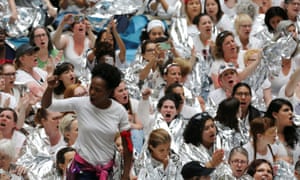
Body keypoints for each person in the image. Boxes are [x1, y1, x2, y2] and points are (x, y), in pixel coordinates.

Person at [41, 63, 132, 179]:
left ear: (109, 91)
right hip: (82, 171)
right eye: (91, 87)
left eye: (98, 90)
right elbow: (47, 105)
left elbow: (128, 146)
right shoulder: (81, 103)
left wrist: (126, 174)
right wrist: (50, 88)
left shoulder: (119, 111)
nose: (92, 92)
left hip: (107, 171)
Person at [17, 108, 65, 179]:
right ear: (44, 121)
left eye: (61, 117)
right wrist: (22, 167)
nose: (59, 121)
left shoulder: (69, 134)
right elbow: (24, 161)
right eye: (55, 119)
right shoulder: (34, 137)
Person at [111, 80, 144, 153]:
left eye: (125, 89)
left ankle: (136, 156)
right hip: (116, 138)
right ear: (113, 95)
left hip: (132, 136)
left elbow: (140, 126)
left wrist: (128, 124)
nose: (124, 92)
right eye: (120, 91)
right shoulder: (109, 107)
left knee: (136, 132)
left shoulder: (134, 103)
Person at [265, 98, 300, 165]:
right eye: (286, 110)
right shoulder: (265, 136)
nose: (291, 113)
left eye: (291, 110)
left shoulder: (296, 134)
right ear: (275, 114)